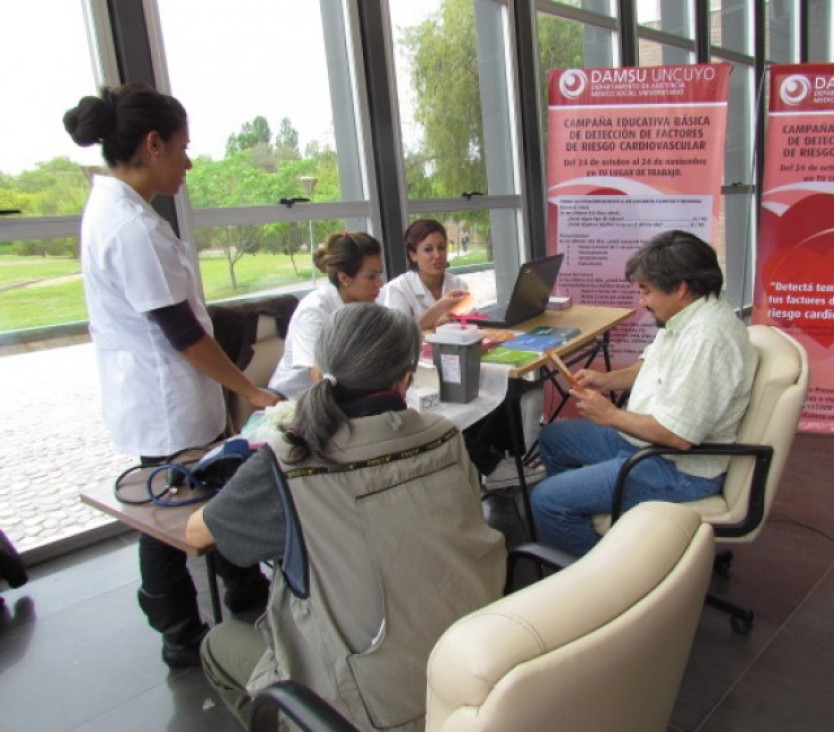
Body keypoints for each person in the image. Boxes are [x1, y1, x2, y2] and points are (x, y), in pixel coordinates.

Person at [187, 303, 506, 730]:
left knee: (218, 642)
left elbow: (199, 532)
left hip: (373, 713)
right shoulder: (444, 437)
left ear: (319, 372)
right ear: (406, 378)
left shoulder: (287, 464)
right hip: (475, 677)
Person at [63, 83, 277, 669]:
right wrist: (250, 389)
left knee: (209, 494)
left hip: (163, 395)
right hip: (166, 401)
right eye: (182, 147)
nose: (188, 161)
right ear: (153, 144)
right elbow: (182, 335)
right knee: (167, 520)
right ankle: (181, 632)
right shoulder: (129, 226)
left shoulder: (122, 212)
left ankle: (242, 591)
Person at [530, 230, 758, 557]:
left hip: (677, 468)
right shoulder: (690, 314)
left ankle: (602, 584)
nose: (642, 302)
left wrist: (610, 415)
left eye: (647, 292)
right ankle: (590, 521)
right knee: (554, 438)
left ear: (680, 288)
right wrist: (607, 381)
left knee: (547, 500)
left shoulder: (706, 339)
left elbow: (678, 436)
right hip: (645, 444)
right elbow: (649, 364)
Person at [269, 231, 384, 399]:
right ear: (344, 278)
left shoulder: (367, 304)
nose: (379, 284)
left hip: (344, 394)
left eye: (379, 274)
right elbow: (319, 376)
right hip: (297, 402)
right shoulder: (313, 312)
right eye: (371, 277)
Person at [380, 218, 467, 330]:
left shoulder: (458, 285)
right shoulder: (399, 289)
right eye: (428, 249)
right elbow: (399, 335)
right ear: (413, 255)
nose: (437, 255)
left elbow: (473, 326)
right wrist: (436, 312)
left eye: (441, 248)